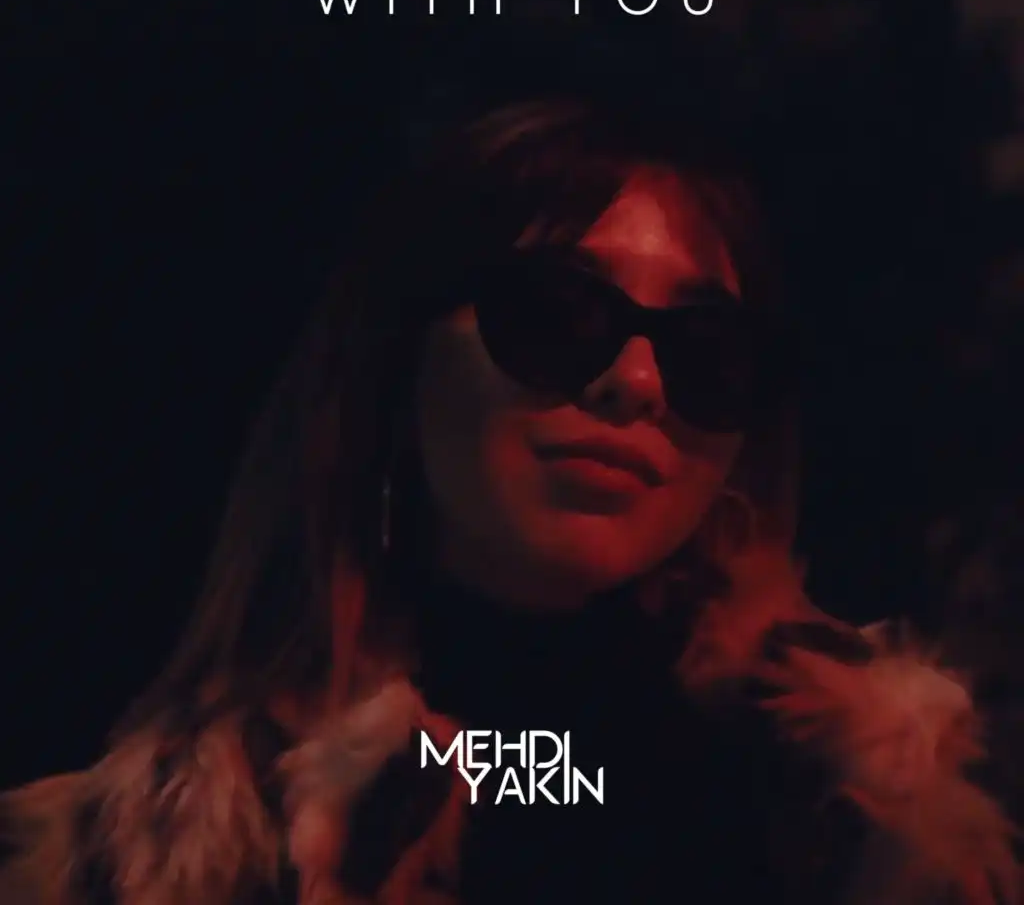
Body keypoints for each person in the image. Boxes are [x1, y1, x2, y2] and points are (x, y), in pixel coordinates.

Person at [0, 82, 1018, 905]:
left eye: (707, 350)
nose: (636, 382)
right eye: (559, 311)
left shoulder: (874, 839)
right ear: (394, 360)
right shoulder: (132, 867)